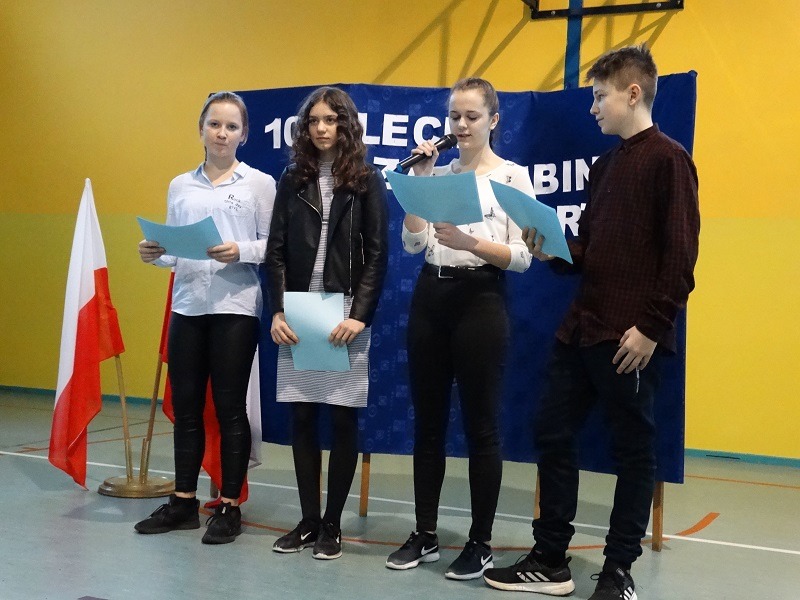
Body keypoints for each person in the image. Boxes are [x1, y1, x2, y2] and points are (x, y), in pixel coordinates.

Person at [483, 44, 700, 599]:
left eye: (600, 96)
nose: (593, 107)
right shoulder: (604, 167)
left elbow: (680, 258)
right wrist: (552, 248)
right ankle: (550, 559)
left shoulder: (670, 160)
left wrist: (651, 328)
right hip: (581, 328)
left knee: (634, 452)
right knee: (552, 432)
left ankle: (618, 571)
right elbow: (592, 253)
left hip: (630, 337)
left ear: (633, 93)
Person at [385, 78, 534, 580]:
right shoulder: (439, 173)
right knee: (427, 423)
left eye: (472, 116)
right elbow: (413, 244)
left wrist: (471, 243)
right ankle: (425, 533)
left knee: (480, 425)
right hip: (432, 297)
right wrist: (420, 186)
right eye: (455, 117)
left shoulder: (511, 177)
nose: (462, 126)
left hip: (481, 300)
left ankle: (480, 542)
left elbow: (522, 256)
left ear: (494, 120)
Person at [134, 91, 276, 545]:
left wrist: (240, 249)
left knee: (231, 409)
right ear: (201, 130)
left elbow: (274, 245)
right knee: (187, 408)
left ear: (244, 134)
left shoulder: (259, 184)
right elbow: (174, 252)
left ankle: (229, 506)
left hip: (235, 307)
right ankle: (183, 502)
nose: (222, 133)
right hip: (188, 306)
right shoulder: (180, 185)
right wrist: (154, 254)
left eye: (232, 127)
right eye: (215, 124)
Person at [265, 87, 389, 560]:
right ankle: (307, 521)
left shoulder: (366, 180)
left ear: (346, 126)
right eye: (314, 120)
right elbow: (276, 251)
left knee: (341, 418)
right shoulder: (292, 178)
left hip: (345, 312)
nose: (321, 128)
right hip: (300, 308)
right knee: (301, 416)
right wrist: (278, 309)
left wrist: (360, 316)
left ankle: (332, 525)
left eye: (331, 120)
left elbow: (377, 254)